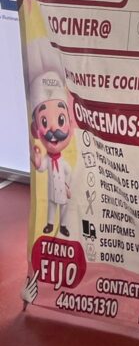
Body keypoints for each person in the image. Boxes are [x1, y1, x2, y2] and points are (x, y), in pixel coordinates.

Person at [30, 71, 74, 237]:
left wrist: (68, 187)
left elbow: (69, 172)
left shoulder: (63, 162)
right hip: (52, 192)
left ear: (70, 125)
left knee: (64, 207)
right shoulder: (48, 159)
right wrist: (37, 159)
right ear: (35, 130)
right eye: (44, 122)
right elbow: (41, 168)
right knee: (51, 206)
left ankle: (63, 226)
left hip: (63, 191)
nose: (54, 129)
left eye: (61, 120)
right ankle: (49, 224)